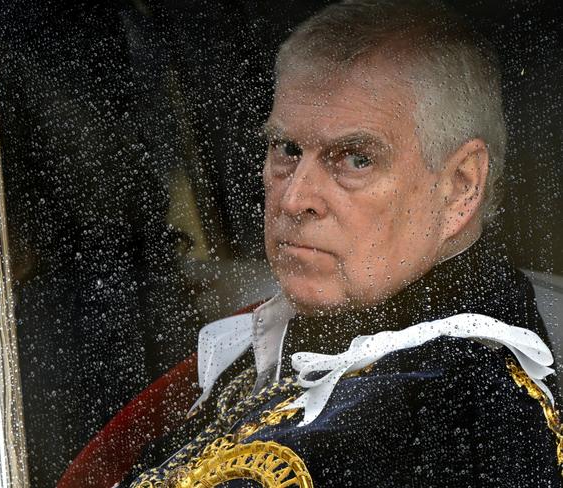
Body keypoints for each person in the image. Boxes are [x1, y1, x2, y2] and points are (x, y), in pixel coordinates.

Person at [120, 1, 563, 486]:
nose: (294, 199)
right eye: (287, 150)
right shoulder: (309, 341)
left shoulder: (456, 416)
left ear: (459, 186)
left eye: (354, 159)